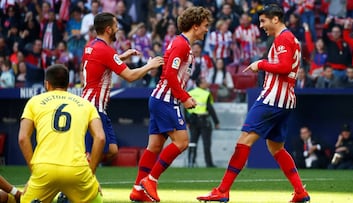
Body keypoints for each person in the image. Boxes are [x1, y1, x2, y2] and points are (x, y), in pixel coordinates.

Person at [197, 4, 310, 203]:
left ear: (275, 19)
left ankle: (222, 190)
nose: (261, 26)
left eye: (263, 21)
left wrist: (261, 64)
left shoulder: (283, 38)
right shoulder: (290, 38)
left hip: (272, 99)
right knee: (276, 148)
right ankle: (300, 191)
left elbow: (283, 66)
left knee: (244, 141)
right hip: (285, 100)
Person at [129, 6, 213, 202]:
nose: (207, 30)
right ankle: (151, 180)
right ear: (195, 26)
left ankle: (137, 190)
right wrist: (184, 97)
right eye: (205, 26)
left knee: (154, 147)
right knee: (183, 141)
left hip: (162, 99)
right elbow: (169, 74)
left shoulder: (184, 45)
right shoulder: (181, 44)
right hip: (167, 100)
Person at [81, 12, 164, 163]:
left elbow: (101, 62)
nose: (118, 29)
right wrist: (149, 66)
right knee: (91, 151)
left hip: (94, 106)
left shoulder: (91, 46)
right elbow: (131, 76)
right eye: (115, 26)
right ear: (108, 29)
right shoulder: (106, 51)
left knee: (112, 150)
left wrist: (120, 57)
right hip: (92, 107)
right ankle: (85, 180)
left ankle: (83, 172)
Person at [18, 64, 105, 203]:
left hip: (44, 168)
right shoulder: (86, 104)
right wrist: (91, 174)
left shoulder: (34, 102)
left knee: (25, 200)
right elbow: (100, 138)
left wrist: (35, 171)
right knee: (98, 200)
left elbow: (23, 138)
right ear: (68, 84)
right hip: (77, 169)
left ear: (47, 84)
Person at [186, 77, 220, 168]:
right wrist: (216, 121)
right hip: (204, 120)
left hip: (192, 121)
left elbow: (185, 108)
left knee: (193, 142)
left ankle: (191, 162)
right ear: (200, 84)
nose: (206, 83)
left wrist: (187, 121)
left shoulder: (190, 93)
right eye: (204, 82)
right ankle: (208, 163)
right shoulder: (206, 93)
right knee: (206, 143)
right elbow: (210, 108)